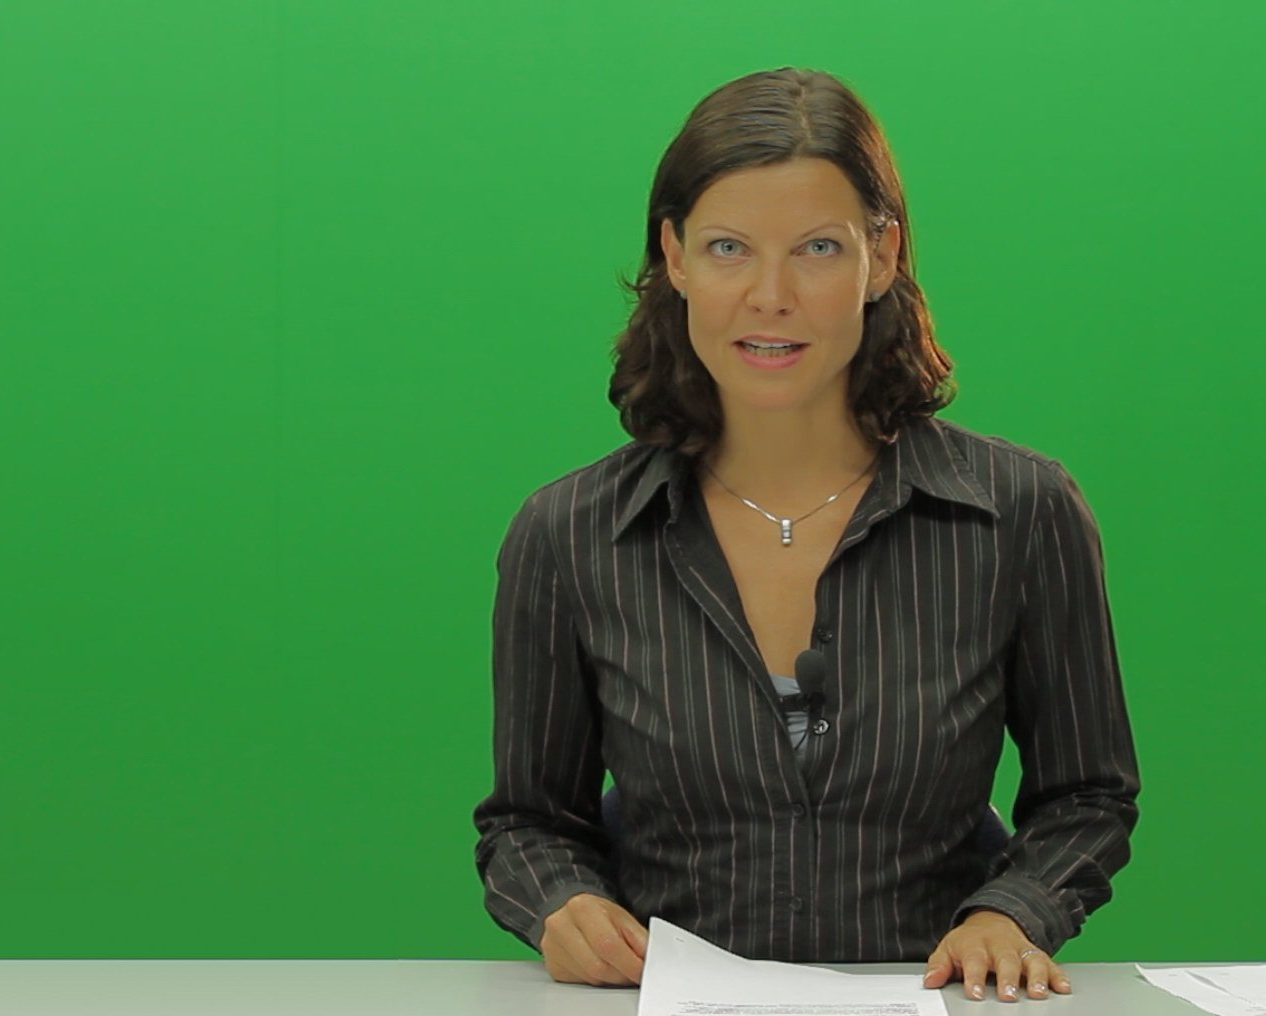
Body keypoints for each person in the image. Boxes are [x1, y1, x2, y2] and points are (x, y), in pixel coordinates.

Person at [470, 67, 1138, 1003]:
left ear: (882, 256)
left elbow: (1089, 797)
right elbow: (528, 823)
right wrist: (560, 904)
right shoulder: (568, 535)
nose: (771, 295)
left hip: (931, 997)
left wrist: (1013, 912)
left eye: (819, 248)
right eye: (729, 248)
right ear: (674, 256)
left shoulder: (1022, 512)